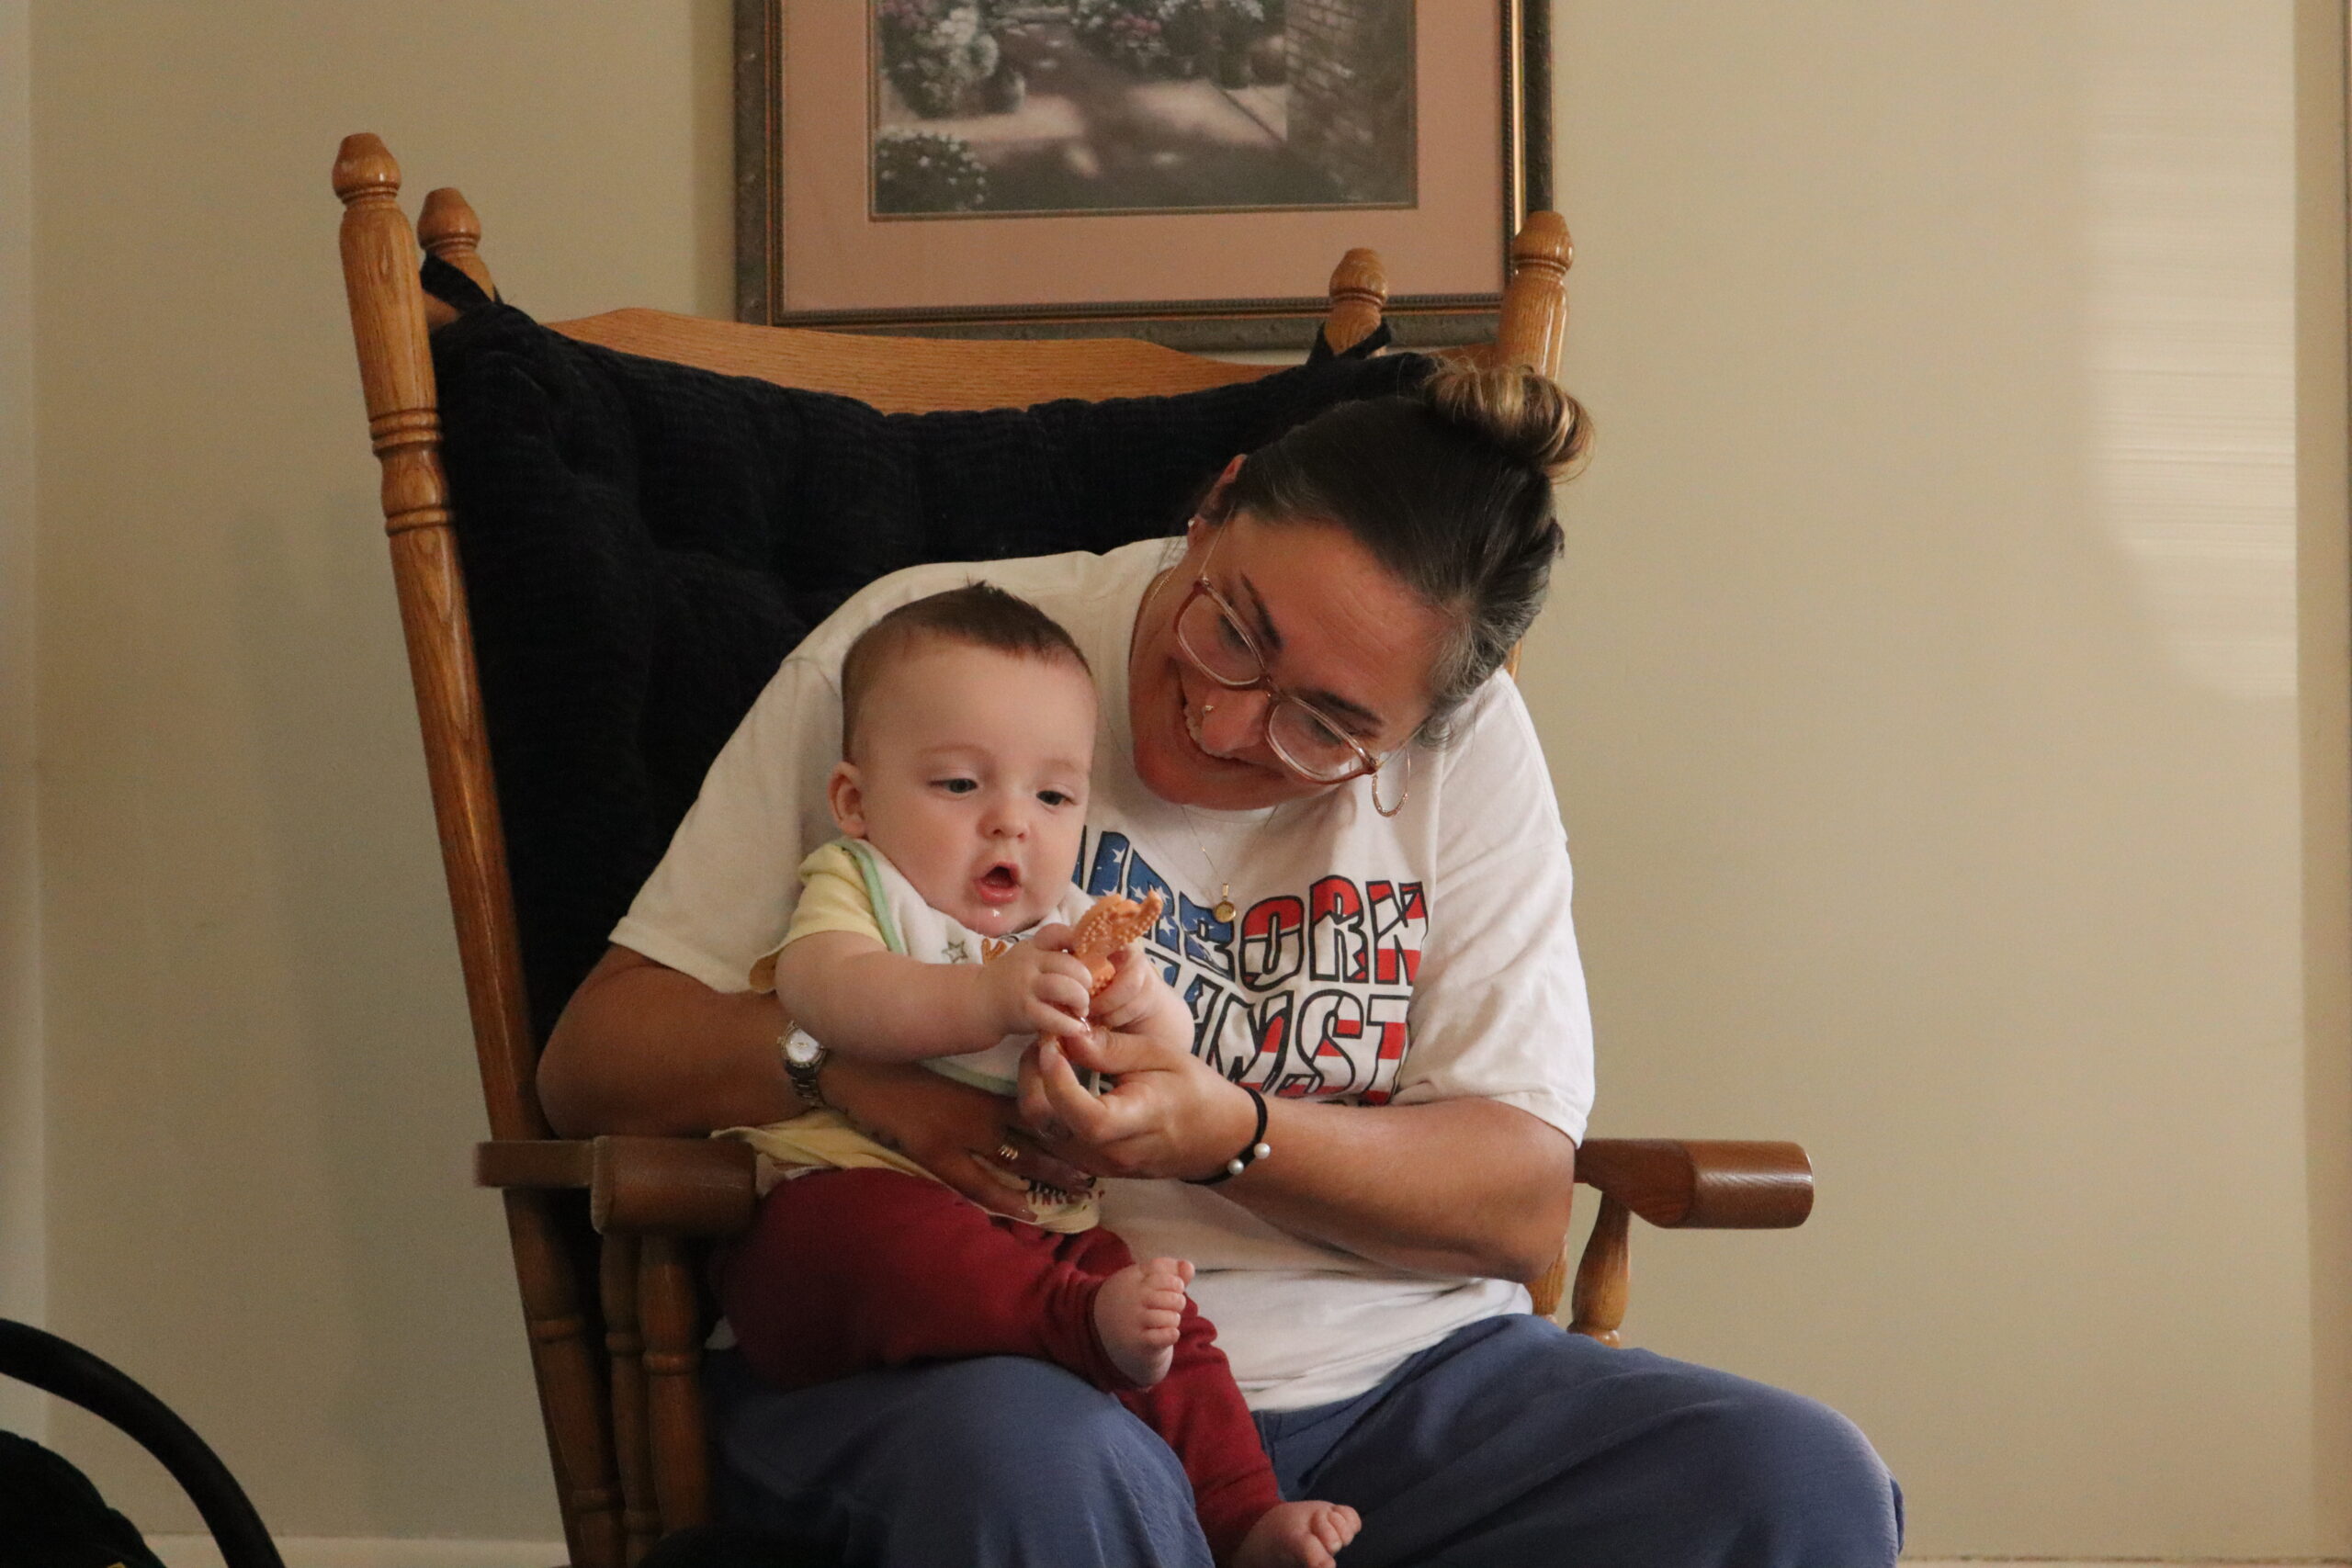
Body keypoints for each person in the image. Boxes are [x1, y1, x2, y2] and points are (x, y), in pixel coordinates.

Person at [540, 360, 1905, 1568]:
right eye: (1233, 624)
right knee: (1050, 1471)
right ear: (1216, 504)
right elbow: (595, 1058)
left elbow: (1517, 1203)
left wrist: (1225, 1134)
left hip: (1403, 1386)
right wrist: (841, 1057)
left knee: (1793, 1482)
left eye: (1326, 722)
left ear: (1425, 724)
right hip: (985, 1355)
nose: (1223, 711)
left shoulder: (1470, 751)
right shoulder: (946, 657)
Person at [718, 582, 1360, 1568]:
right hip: (845, 1220)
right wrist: (986, 1001)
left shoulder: (1059, 919)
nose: (1011, 825)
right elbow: (826, 993)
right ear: (856, 800)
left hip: (1039, 1236)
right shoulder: (862, 884)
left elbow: (1167, 1054)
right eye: (959, 786)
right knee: (886, 1239)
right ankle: (1072, 1329)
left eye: (1052, 796)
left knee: (1168, 1324)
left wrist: (1142, 1012)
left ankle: (1242, 1515)